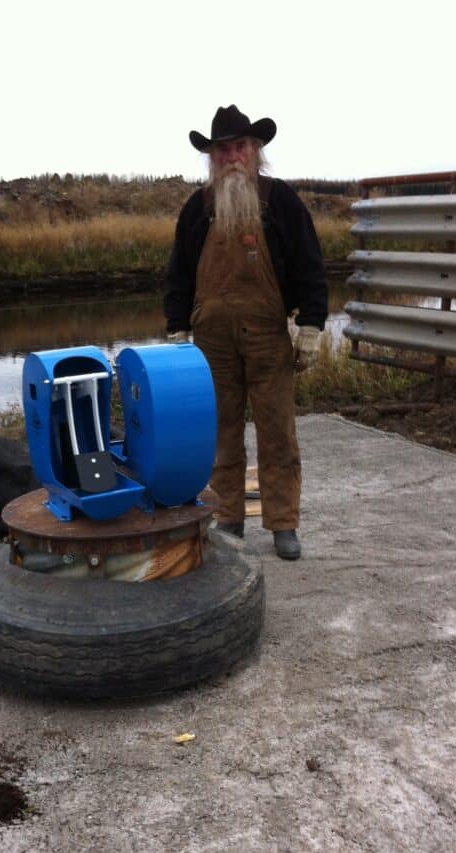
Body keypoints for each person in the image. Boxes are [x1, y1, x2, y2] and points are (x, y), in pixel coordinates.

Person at [164, 105, 328, 560]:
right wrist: (177, 327)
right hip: (211, 342)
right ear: (211, 157)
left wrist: (312, 324)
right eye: (223, 149)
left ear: (255, 151)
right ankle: (229, 519)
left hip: (267, 336)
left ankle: (283, 525)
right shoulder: (196, 209)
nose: (232, 155)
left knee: (277, 431)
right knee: (220, 431)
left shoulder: (281, 202)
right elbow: (178, 274)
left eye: (240, 146)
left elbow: (310, 267)